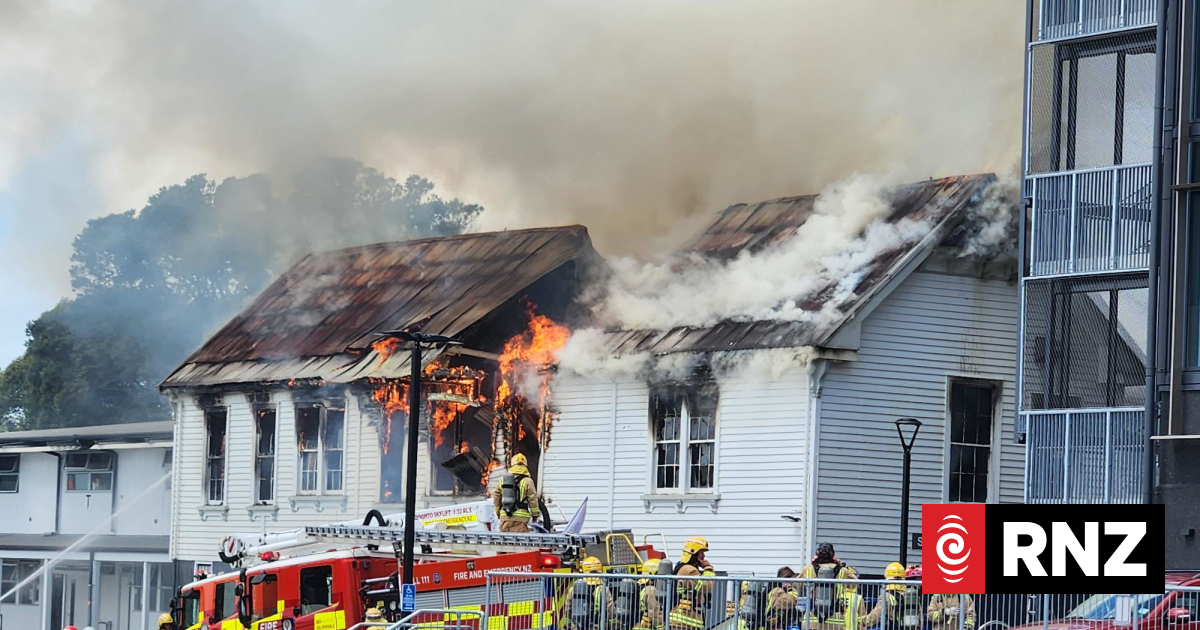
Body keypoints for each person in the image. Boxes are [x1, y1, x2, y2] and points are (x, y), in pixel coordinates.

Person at [801, 543, 857, 630]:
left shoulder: (808, 569)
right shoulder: (842, 571)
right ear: (833, 554)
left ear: (817, 554)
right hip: (835, 619)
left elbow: (797, 584)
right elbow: (854, 583)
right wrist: (842, 565)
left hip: (811, 618)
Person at [669, 538, 714, 630]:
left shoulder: (687, 568)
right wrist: (708, 568)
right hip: (683, 622)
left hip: (687, 621)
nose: (704, 556)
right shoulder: (689, 570)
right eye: (701, 553)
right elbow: (706, 586)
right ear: (694, 554)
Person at [864, 563, 923, 630]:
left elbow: (875, 617)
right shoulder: (912, 595)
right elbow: (920, 619)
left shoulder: (886, 596)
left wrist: (862, 622)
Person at [563, 556, 616, 630]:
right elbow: (611, 610)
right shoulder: (604, 589)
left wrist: (569, 625)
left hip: (578, 626)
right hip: (598, 626)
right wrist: (613, 625)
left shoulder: (574, 589)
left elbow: (568, 609)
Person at [492, 453, 540, 533]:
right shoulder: (528, 481)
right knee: (519, 543)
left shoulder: (503, 480)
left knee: (505, 543)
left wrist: (498, 512)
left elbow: (497, 496)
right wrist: (535, 515)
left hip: (505, 517)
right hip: (520, 518)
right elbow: (533, 499)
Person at [635, 558, 666, 630]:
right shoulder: (651, 590)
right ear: (653, 573)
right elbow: (655, 612)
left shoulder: (641, 585)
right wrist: (661, 628)